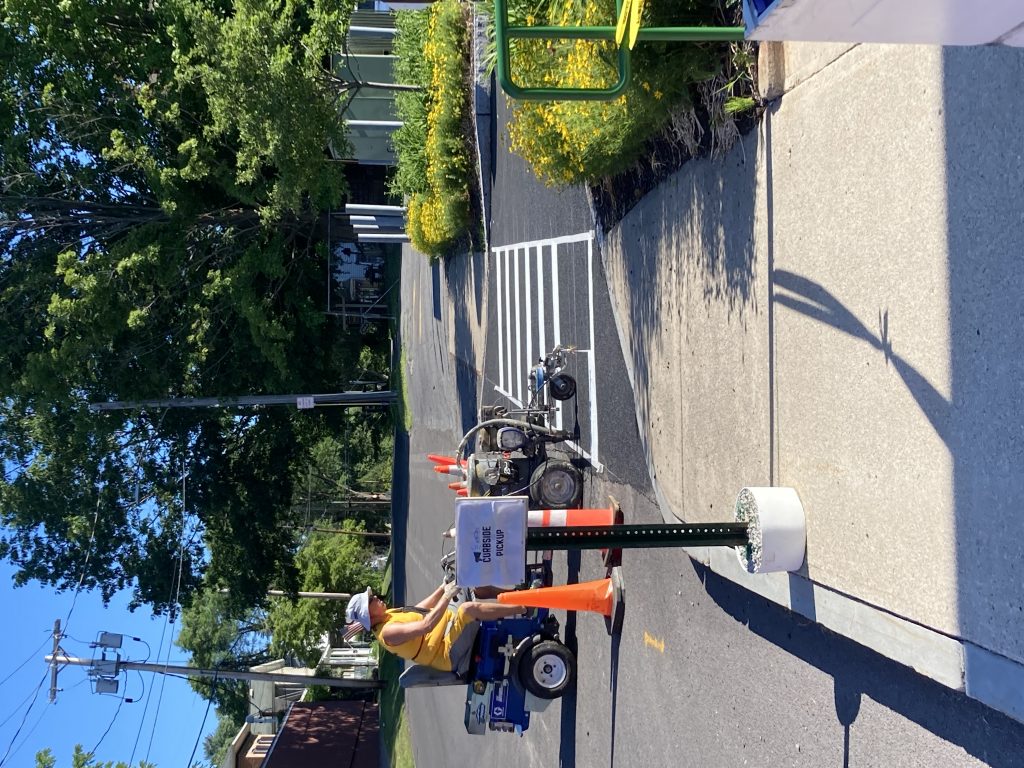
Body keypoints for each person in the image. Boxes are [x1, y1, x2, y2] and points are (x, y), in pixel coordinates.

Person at [345, 584, 526, 673]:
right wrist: (446, 597)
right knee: (466, 610)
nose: (376, 597)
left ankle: (515, 594)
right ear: (368, 614)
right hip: (446, 652)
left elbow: (420, 609)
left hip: (449, 628)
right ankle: (524, 607)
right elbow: (427, 625)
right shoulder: (388, 633)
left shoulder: (388, 615)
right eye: (371, 600)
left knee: (467, 584)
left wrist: (442, 587)